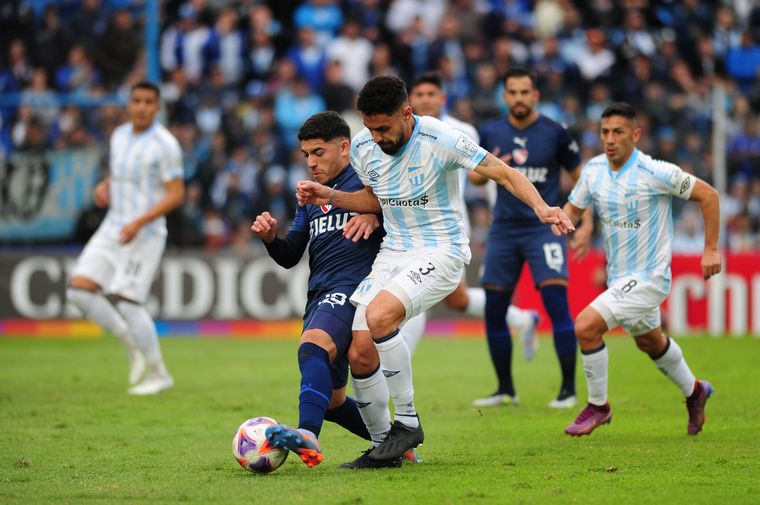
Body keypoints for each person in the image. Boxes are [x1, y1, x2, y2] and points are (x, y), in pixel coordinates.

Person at [296, 75, 575, 462]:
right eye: (369, 128)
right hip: (394, 252)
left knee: (379, 317)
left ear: (407, 114)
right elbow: (373, 199)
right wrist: (332, 196)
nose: (376, 137)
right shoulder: (362, 145)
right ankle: (384, 449)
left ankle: (408, 423)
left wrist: (543, 208)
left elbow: (504, 172)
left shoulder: (440, 138)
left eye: (384, 128)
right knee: (360, 352)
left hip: (441, 251)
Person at [252, 111, 411, 469]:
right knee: (334, 401)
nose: (311, 162)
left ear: (344, 147)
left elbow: (403, 211)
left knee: (313, 346)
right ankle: (393, 445)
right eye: (306, 154)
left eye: (318, 152)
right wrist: (270, 238)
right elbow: (291, 254)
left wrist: (375, 212)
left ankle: (307, 434)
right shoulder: (309, 196)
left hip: (353, 288)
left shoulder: (369, 180)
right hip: (319, 291)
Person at [562, 102, 719, 436]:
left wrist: (710, 249)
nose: (610, 139)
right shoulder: (593, 170)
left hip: (650, 277)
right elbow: (574, 208)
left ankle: (598, 406)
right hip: (620, 277)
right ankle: (696, 391)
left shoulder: (655, 172)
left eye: (618, 132)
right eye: (604, 131)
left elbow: (709, 195)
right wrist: (576, 225)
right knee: (650, 342)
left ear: (636, 134)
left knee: (586, 326)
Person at [474, 67, 592, 409]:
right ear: (505, 96)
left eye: (525, 92)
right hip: (504, 230)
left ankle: (568, 391)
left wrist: (581, 222)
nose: (519, 98)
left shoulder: (556, 133)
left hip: (545, 229)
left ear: (535, 95)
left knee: (557, 304)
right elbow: (476, 180)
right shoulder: (491, 131)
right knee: (494, 309)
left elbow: (581, 179)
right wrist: (495, 170)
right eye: (513, 92)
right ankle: (505, 389)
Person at [404, 71, 539, 355]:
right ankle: (520, 318)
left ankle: (394, 381)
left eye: (431, 94)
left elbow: (481, 175)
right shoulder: (400, 131)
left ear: (443, 98)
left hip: (446, 226)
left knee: (412, 297)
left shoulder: (460, 131)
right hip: (408, 224)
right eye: (420, 95)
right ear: (410, 100)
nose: (426, 100)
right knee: (457, 300)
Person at [67, 82, 185, 395]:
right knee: (78, 290)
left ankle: (159, 374)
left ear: (157, 108)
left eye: (149, 102)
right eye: (137, 101)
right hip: (114, 226)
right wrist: (106, 185)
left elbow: (176, 194)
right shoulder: (119, 135)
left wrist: (141, 220)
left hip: (144, 232)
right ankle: (131, 343)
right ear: (128, 104)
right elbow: (124, 174)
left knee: (129, 301)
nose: (142, 107)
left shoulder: (165, 144)